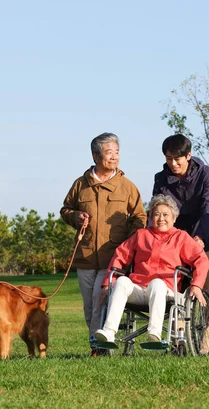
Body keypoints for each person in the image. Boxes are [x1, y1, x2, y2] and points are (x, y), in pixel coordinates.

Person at [60, 132, 147, 357]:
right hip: (86, 256)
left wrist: (129, 244)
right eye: (109, 153)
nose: (114, 157)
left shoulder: (127, 186)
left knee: (101, 301)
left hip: (114, 257)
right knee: (89, 306)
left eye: (117, 152)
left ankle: (100, 347)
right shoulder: (81, 184)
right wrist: (76, 216)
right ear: (96, 156)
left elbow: (139, 217)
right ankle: (95, 342)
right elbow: (65, 210)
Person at [95, 194, 209, 345]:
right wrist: (106, 285)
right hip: (139, 289)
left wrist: (196, 285)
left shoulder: (181, 237)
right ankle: (109, 333)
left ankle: (154, 334)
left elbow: (201, 259)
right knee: (122, 281)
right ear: (150, 217)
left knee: (157, 283)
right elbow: (119, 256)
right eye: (156, 214)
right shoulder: (141, 235)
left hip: (166, 290)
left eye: (166, 214)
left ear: (174, 218)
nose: (161, 218)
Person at [152, 134, 209, 352]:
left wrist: (200, 237)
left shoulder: (206, 174)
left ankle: (204, 345)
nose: (173, 164)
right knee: (178, 293)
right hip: (175, 244)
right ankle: (178, 342)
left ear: (188, 156)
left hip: (208, 240)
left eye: (177, 159)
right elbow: (158, 210)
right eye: (168, 159)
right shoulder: (161, 178)